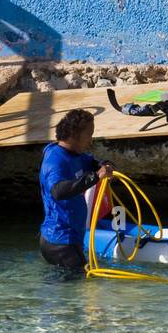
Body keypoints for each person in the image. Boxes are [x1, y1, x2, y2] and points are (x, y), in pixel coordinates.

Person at [39, 109, 113, 272]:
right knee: (83, 286)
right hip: (59, 242)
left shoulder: (76, 154)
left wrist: (105, 166)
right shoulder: (55, 160)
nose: (91, 140)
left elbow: (94, 162)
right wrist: (94, 178)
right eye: (89, 134)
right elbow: (58, 191)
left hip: (70, 239)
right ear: (74, 135)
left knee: (69, 285)